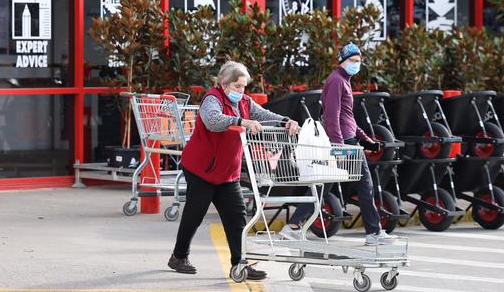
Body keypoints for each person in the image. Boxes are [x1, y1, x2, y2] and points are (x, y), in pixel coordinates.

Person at [168, 61, 300, 280]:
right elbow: (212, 121)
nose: (241, 91)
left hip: (227, 172)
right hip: (202, 168)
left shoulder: (245, 102)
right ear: (224, 83)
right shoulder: (212, 99)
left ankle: (240, 264)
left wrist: (285, 121)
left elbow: (263, 115)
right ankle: (179, 256)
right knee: (195, 213)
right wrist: (242, 122)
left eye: (244, 86)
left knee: (237, 216)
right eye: (237, 86)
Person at [279, 43, 395, 245]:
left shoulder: (343, 81)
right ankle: (374, 232)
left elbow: (347, 118)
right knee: (365, 185)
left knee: (324, 185)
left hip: (346, 140)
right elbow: (332, 117)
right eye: (352, 60)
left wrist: (366, 139)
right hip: (342, 142)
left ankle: (293, 226)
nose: (356, 64)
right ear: (342, 60)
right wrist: (339, 147)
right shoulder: (336, 81)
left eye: (358, 61)